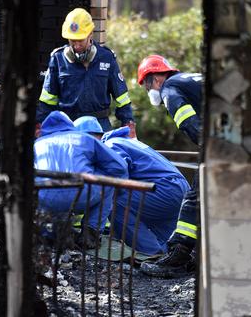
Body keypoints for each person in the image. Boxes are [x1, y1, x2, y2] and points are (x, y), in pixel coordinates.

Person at [74, 116, 189, 257]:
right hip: (178, 190)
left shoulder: (110, 145)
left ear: (88, 139)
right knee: (168, 241)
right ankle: (172, 258)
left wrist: (91, 223)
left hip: (163, 190)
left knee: (112, 200)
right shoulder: (125, 141)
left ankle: (151, 254)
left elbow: (114, 177)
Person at [136, 54, 203, 278]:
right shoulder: (188, 79)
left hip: (225, 140)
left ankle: (178, 256)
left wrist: (211, 147)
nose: (149, 93)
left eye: (146, 87)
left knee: (193, 199)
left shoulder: (170, 88)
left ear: (155, 79)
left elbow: (188, 122)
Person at [36, 8, 136, 136]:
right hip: (68, 127)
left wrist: (128, 122)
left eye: (80, 40)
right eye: (72, 41)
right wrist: (39, 125)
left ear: (90, 34)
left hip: (100, 127)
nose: (76, 45)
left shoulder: (107, 58)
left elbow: (122, 98)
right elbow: (47, 101)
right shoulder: (58, 59)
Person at [34, 111, 127, 249]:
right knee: (109, 182)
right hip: (81, 192)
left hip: (45, 197)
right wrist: (95, 169)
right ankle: (90, 235)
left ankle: (50, 234)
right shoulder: (83, 138)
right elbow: (120, 166)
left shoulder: (37, 143)